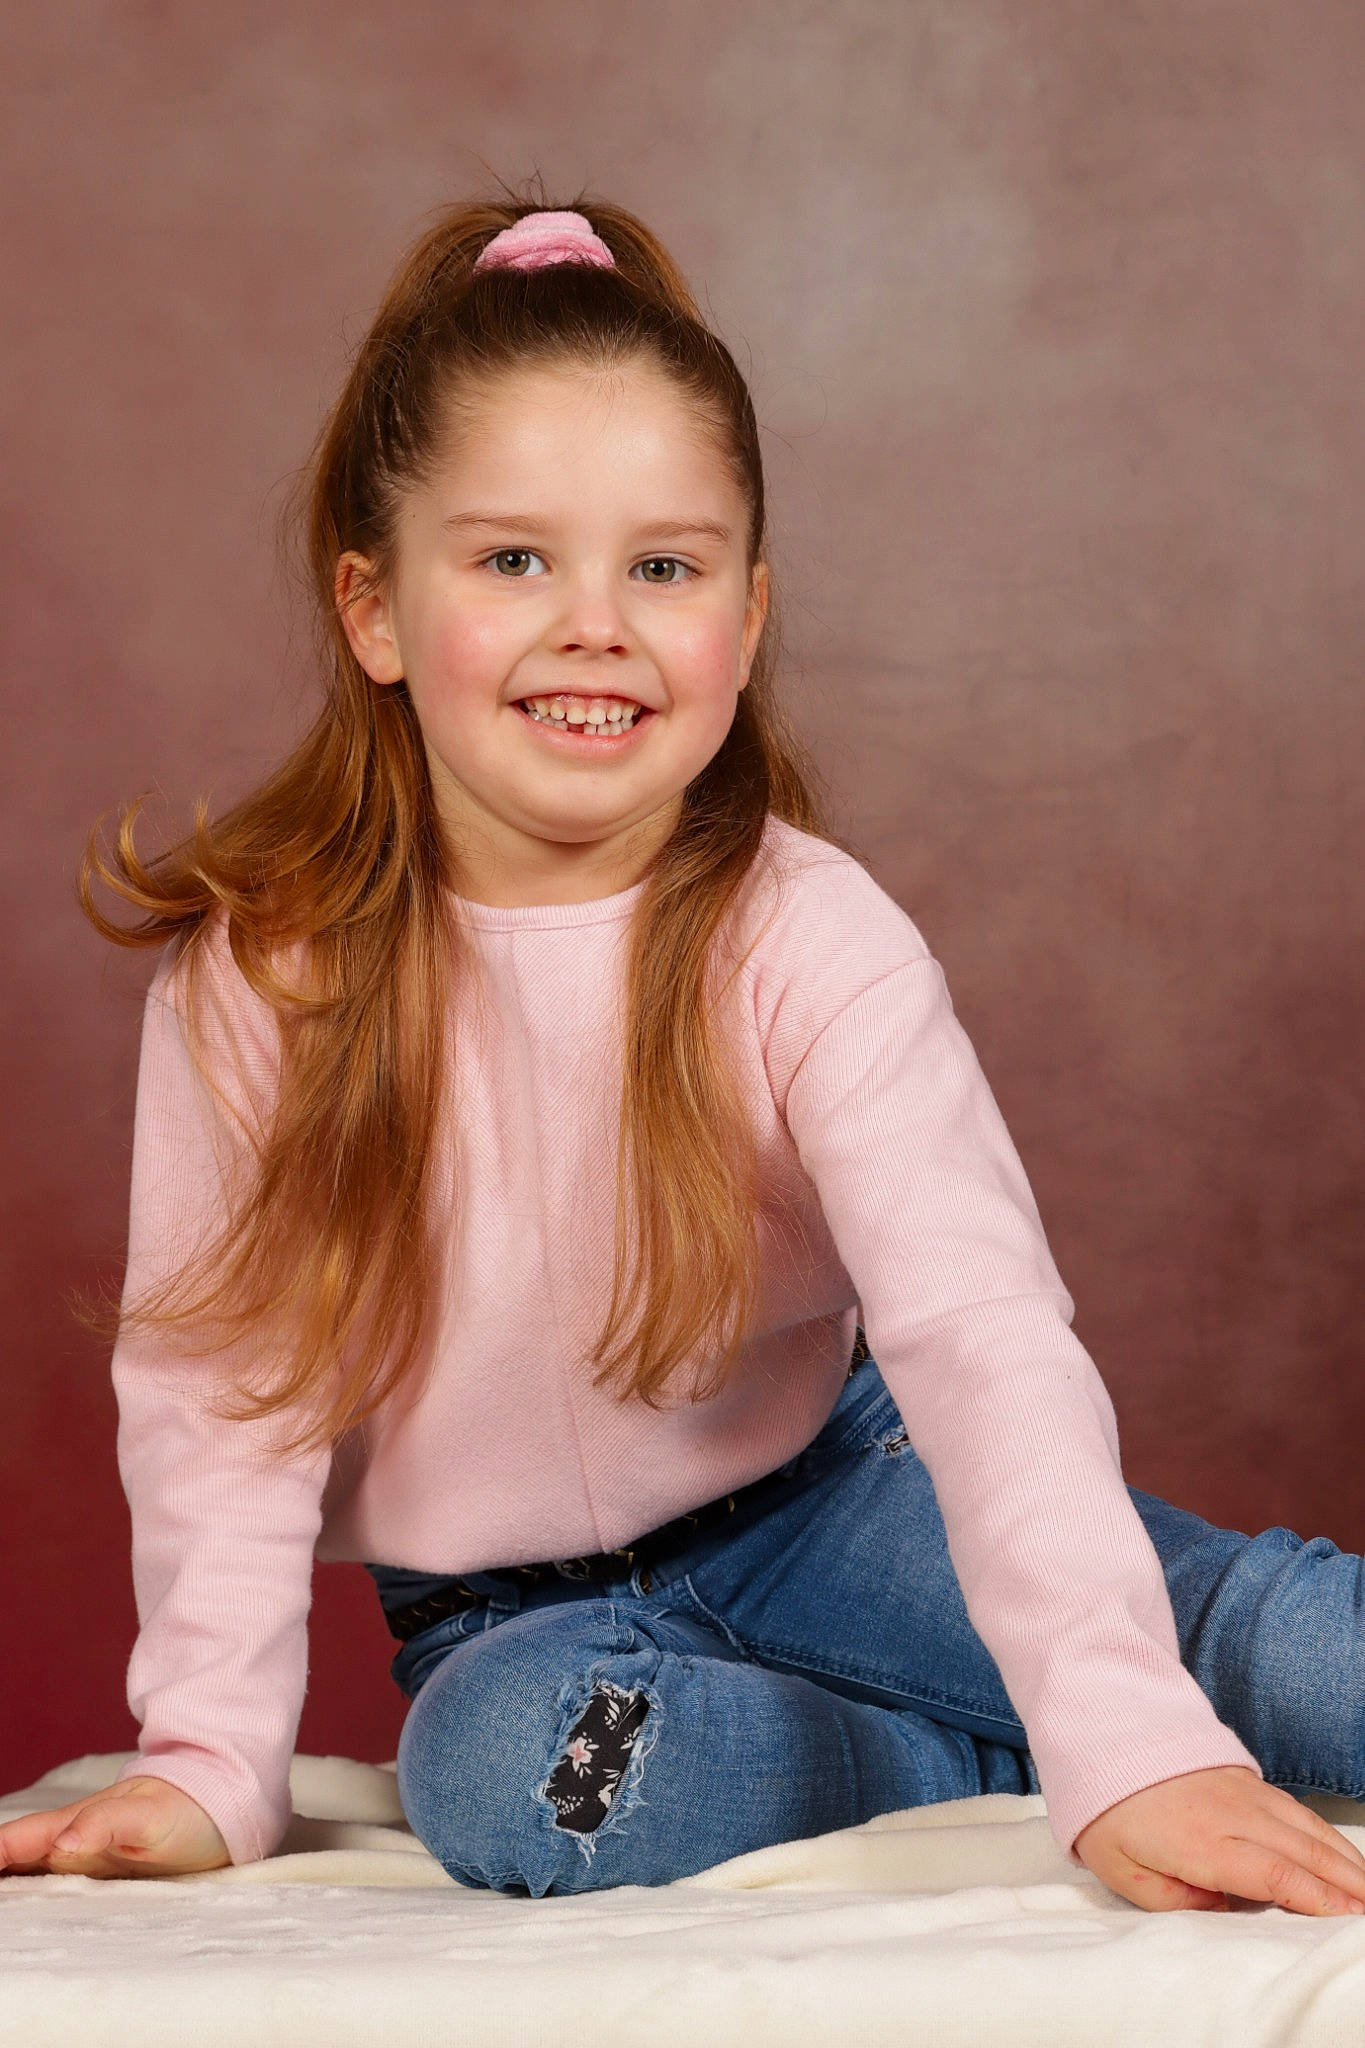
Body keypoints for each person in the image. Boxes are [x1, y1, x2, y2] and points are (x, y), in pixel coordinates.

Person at [3, 184, 1363, 1917]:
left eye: (664, 565)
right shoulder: (260, 978)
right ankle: (954, 1755)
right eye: (512, 561)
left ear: (746, 606)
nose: (597, 622)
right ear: (371, 610)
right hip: (514, 1618)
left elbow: (980, 1337)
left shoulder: (807, 936)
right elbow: (219, 1394)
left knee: (1301, 1656)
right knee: (525, 1791)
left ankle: (1061, 1708)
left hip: (832, 1505)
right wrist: (203, 1755)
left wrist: (1132, 1738)